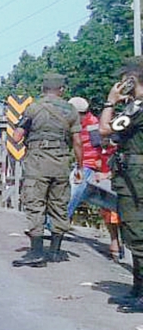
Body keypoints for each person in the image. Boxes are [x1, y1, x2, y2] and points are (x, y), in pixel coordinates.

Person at [11, 73, 81, 268]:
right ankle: (56, 251)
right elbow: (77, 142)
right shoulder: (71, 110)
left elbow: (17, 137)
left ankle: (36, 252)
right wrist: (80, 166)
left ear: (43, 89)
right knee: (59, 205)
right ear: (62, 89)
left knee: (35, 204)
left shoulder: (33, 108)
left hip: (37, 163)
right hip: (61, 163)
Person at [101, 60, 143, 309]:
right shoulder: (134, 107)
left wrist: (110, 100)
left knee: (138, 233)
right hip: (132, 176)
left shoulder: (137, 108)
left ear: (132, 79)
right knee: (134, 231)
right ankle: (137, 289)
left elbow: (105, 129)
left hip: (136, 178)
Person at [67, 96, 121, 258]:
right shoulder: (74, 125)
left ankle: (58, 223)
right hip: (92, 166)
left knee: (113, 207)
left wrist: (103, 167)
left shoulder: (93, 126)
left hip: (100, 166)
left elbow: (105, 147)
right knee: (107, 207)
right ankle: (115, 243)